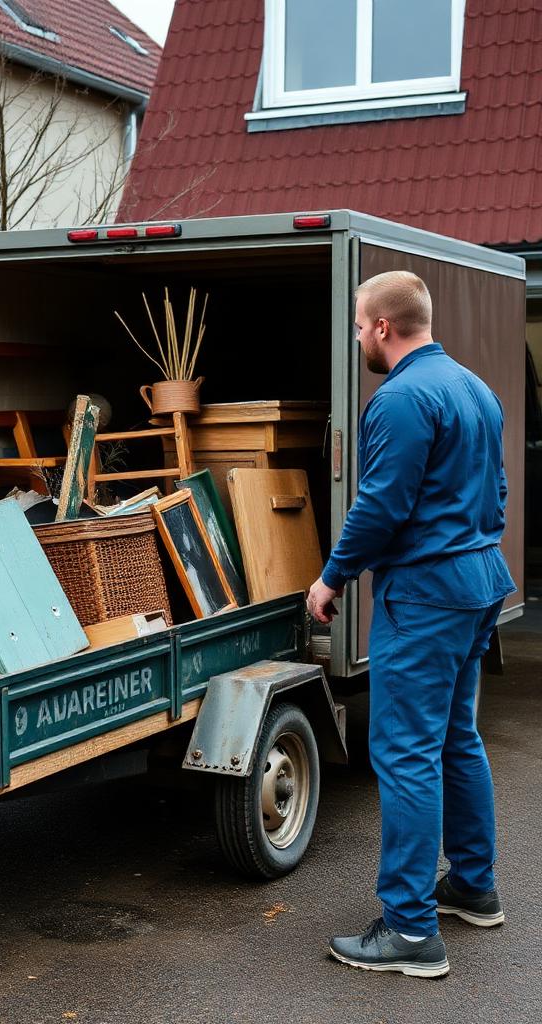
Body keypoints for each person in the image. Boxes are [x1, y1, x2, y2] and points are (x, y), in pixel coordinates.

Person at [306, 271, 515, 979]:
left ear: (383, 328)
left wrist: (331, 577)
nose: (359, 336)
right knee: (456, 736)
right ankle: (473, 887)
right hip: (478, 580)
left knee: (406, 753)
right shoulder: (475, 388)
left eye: (360, 326)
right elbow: (499, 491)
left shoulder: (397, 400)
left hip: (427, 594)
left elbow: (380, 507)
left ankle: (410, 932)